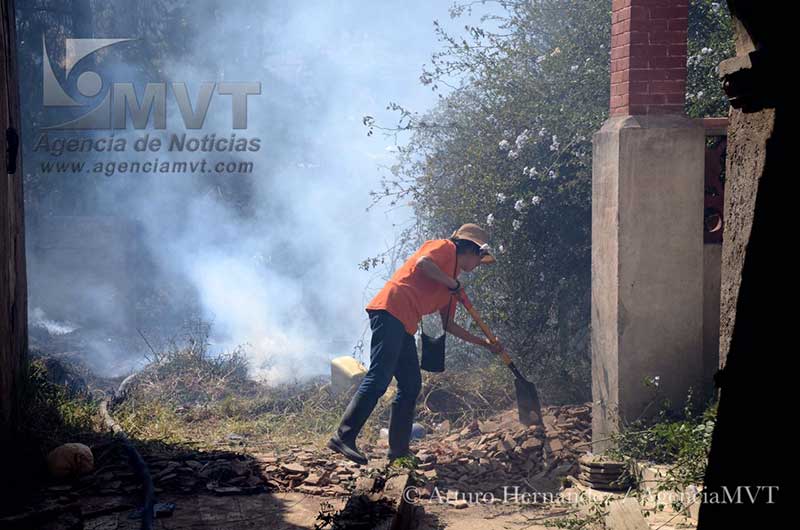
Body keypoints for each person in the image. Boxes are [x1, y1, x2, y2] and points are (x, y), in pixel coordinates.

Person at [327, 223, 504, 465]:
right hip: (391, 310)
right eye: (480, 258)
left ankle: (398, 451)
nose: (478, 266)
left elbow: (449, 325)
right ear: (471, 250)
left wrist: (484, 343)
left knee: (411, 384)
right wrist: (451, 284)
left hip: (405, 324)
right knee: (379, 377)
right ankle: (343, 436)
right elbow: (422, 263)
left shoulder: (453, 282)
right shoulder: (445, 247)